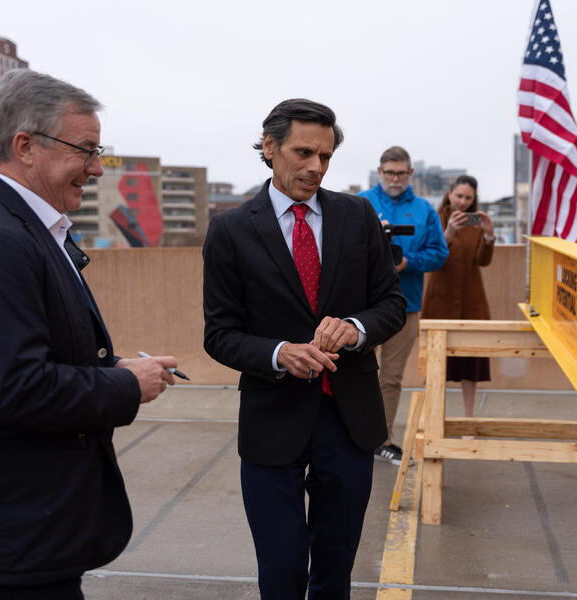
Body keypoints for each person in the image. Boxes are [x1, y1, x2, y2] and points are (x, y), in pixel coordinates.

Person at [0, 69, 178, 599]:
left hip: (29, 535)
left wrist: (110, 369)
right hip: (5, 545)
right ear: (25, 146)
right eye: (86, 150)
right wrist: (125, 385)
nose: (96, 168)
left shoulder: (20, 228)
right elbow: (13, 389)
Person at [202, 99, 406, 599]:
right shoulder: (230, 230)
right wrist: (279, 353)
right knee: (281, 569)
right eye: (303, 153)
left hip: (349, 418)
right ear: (269, 148)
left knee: (335, 571)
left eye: (326, 156)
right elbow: (219, 334)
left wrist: (356, 328)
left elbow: (391, 304)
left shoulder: (357, 215)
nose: (316, 167)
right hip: (272, 422)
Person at [358, 146, 448, 465]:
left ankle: (381, 440)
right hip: (362, 306)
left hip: (405, 306)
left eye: (401, 173)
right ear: (379, 172)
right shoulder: (361, 203)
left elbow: (440, 253)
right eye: (389, 172)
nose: (395, 178)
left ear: (411, 174)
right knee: (356, 373)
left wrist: (408, 262)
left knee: (391, 377)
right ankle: (353, 434)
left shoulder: (425, 210)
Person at [421, 175, 495, 418]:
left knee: (470, 365)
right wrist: (449, 232)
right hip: (439, 300)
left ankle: (468, 419)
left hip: (471, 300)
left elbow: (482, 261)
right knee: (435, 364)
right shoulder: (435, 217)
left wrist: (488, 236)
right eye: (459, 196)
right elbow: (432, 258)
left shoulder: (476, 223)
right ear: (449, 193)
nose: (462, 202)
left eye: (468, 198)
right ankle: (432, 417)